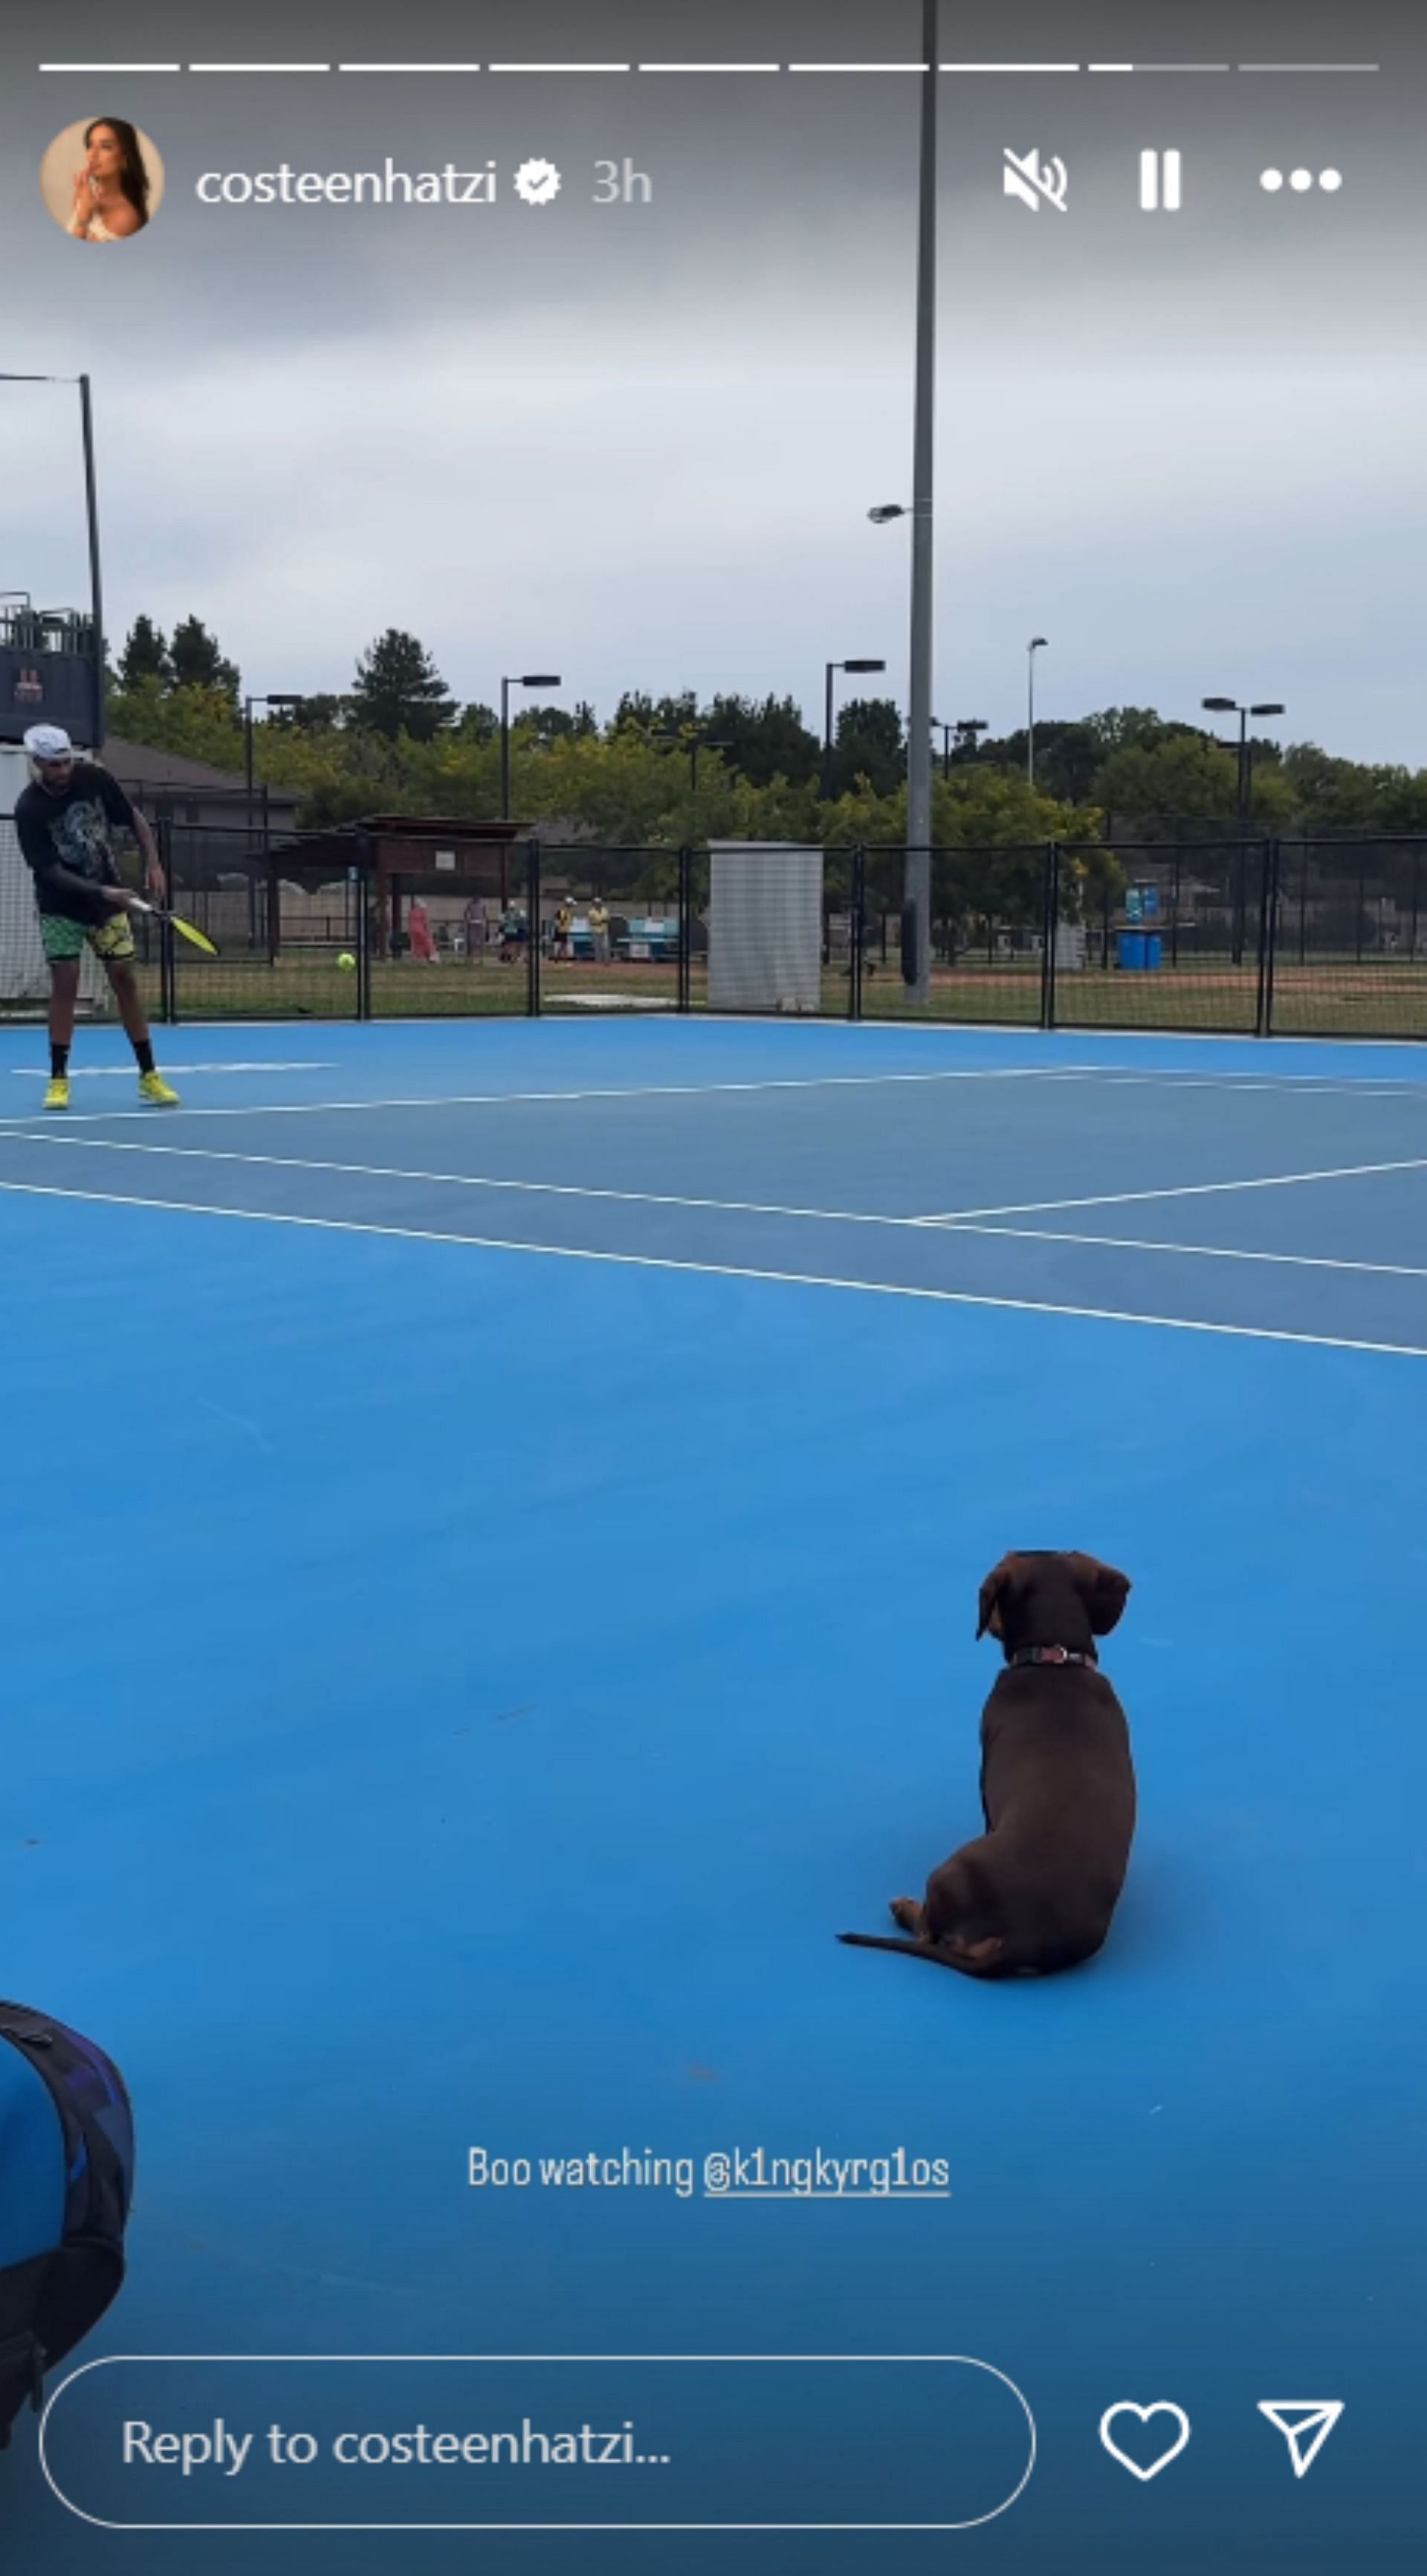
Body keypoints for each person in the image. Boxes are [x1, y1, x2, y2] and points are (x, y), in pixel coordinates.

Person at [15, 725, 180, 1110]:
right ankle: (58, 1080)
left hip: (108, 906)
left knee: (125, 979)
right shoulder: (29, 808)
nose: (63, 770)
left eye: (67, 761)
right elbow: (50, 871)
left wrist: (153, 863)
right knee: (66, 982)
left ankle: (149, 1076)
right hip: (60, 907)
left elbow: (133, 816)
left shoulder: (93, 777)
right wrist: (105, 892)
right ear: (38, 764)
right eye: (54, 765)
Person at [67, 118, 152, 242]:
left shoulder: (126, 218)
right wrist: (82, 203)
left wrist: (84, 213)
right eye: (90, 145)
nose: (92, 155)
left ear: (124, 158)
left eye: (105, 147)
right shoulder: (85, 194)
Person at [408, 898, 438, 963]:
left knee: (417, 945)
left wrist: (410, 933)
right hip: (421, 930)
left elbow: (410, 922)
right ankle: (432, 957)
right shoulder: (423, 911)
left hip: (413, 931)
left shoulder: (412, 912)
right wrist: (429, 932)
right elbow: (426, 922)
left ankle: (417, 958)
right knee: (428, 942)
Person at [588, 896, 610, 965]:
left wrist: (605, 921)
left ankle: (606, 961)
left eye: (599, 903)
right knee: (597, 947)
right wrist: (600, 921)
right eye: (597, 903)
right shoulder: (591, 912)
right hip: (596, 930)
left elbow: (608, 919)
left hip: (604, 930)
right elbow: (591, 922)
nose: (598, 904)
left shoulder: (605, 910)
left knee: (605, 946)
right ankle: (598, 962)